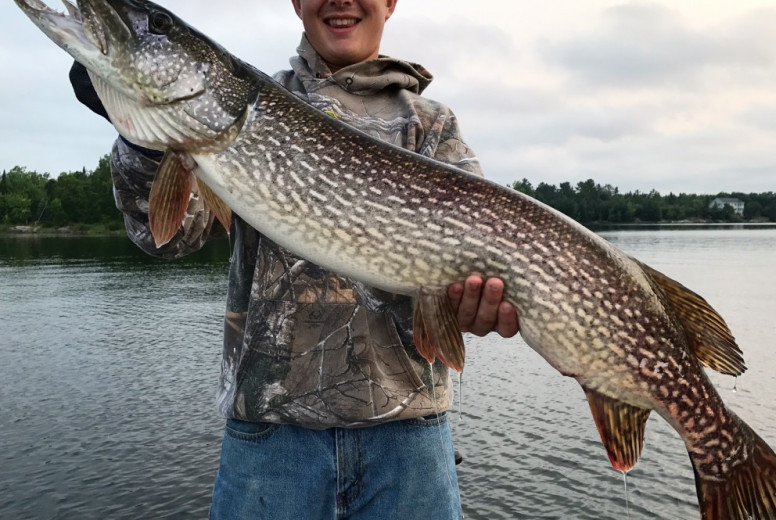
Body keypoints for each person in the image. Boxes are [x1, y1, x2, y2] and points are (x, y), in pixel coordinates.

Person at [70, 0, 518, 518]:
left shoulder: (431, 124)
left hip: (408, 440)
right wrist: (143, 138)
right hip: (271, 440)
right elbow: (167, 239)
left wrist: (474, 305)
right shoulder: (248, 103)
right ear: (297, 3)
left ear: (392, 3)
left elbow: (476, 270)